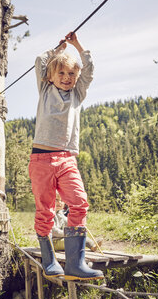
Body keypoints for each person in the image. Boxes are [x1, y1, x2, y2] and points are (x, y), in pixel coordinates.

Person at [29, 32, 103, 281]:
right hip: (40, 159)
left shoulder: (77, 95)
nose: (66, 78)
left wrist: (76, 45)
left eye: (71, 74)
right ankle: (49, 259)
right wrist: (58, 49)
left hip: (66, 159)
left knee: (79, 202)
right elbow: (41, 59)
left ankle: (75, 263)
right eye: (61, 73)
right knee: (46, 210)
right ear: (51, 76)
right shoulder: (45, 89)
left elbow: (89, 67)